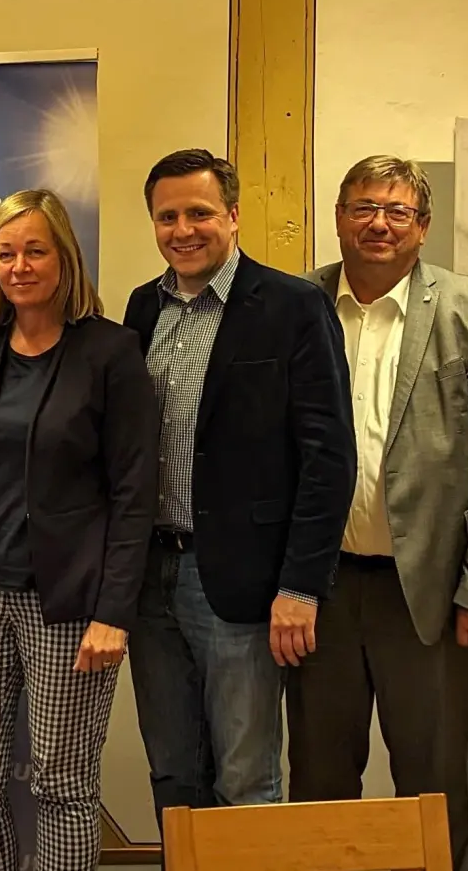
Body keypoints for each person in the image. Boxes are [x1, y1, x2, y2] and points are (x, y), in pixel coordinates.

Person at [288, 155, 468, 866]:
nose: (378, 224)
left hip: (426, 594)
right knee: (320, 780)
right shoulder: (300, 305)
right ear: (338, 218)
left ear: (423, 228)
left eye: (397, 211)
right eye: (363, 208)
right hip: (320, 590)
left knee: (430, 785)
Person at [0, 189, 158, 871]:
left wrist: (114, 612)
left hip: (70, 606)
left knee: (63, 783)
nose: (20, 265)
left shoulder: (111, 352)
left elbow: (135, 494)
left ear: (64, 257)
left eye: (35, 250)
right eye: (5, 252)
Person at [122, 148, 354, 819]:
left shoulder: (293, 306)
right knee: (172, 775)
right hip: (150, 581)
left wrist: (300, 585)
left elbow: (328, 458)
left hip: (243, 584)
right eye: (167, 217)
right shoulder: (142, 309)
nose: (183, 230)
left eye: (199, 213)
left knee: (247, 782)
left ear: (233, 215)